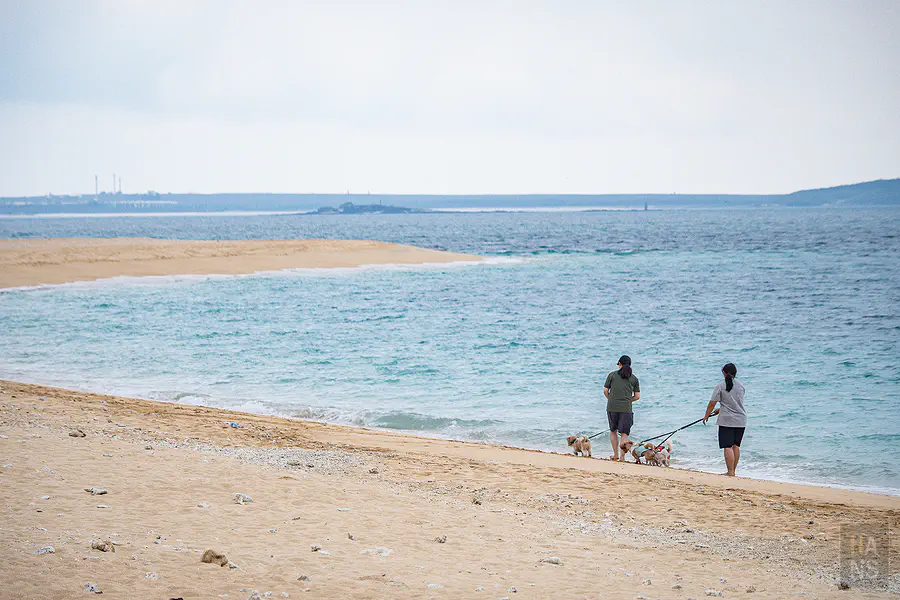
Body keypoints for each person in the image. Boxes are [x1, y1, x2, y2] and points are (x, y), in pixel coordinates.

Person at [703, 363, 746, 476]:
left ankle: (730, 472)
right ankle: (733, 471)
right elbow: (734, 403)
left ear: (724, 373)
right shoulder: (741, 386)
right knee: (736, 446)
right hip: (741, 420)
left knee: (727, 446)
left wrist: (706, 415)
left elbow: (712, 403)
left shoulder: (720, 386)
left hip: (727, 420)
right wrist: (721, 409)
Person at [604, 355, 640, 461]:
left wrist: (611, 399)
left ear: (619, 364)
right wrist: (628, 401)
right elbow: (637, 396)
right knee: (624, 433)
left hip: (612, 407)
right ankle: (622, 457)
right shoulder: (634, 378)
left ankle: (615, 454)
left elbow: (605, 391)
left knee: (613, 431)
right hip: (626, 409)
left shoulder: (612, 375)